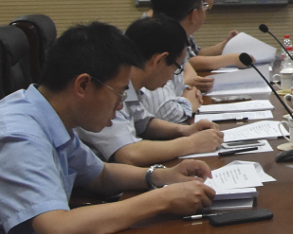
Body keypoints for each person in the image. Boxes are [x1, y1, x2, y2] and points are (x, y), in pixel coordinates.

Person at [0, 22, 216, 234]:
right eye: (119, 93)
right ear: (83, 85)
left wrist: (162, 177)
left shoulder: (47, 114)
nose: (120, 106)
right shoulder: (20, 136)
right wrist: (162, 200)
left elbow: (100, 175)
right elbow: (58, 231)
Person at [77, 17, 225, 166]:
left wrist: (184, 130)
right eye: (176, 68)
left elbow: (143, 122)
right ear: (159, 60)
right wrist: (192, 143)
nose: (172, 77)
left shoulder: (132, 85)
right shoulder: (106, 88)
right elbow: (129, 154)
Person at [140, 0, 208, 121]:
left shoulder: (174, 40)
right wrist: (188, 103)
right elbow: (165, 113)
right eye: (204, 6)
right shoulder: (159, 43)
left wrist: (185, 92)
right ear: (194, 15)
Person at [184, 0, 244, 73]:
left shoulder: (186, 28)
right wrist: (233, 59)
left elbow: (197, 54)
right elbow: (189, 63)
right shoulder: (169, 28)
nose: (205, 14)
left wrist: (225, 44)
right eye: (205, 8)